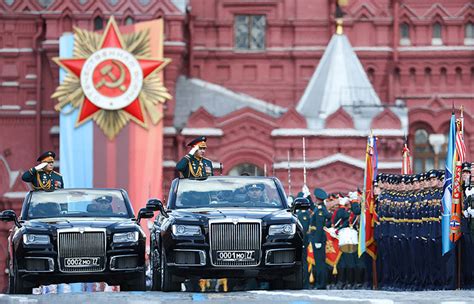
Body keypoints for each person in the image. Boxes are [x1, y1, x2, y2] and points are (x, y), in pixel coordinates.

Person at [308, 188, 332, 289]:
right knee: (319, 262)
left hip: (318, 239)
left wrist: (317, 240)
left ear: (318, 198)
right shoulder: (319, 208)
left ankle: (322, 284)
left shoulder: (320, 210)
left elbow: (318, 226)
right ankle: (321, 283)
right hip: (317, 238)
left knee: (320, 263)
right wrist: (308, 197)